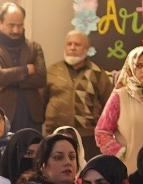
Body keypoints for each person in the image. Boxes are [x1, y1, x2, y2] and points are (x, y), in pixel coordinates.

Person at [0, 4, 46, 134]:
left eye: (20, 25)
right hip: (1, 117)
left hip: (31, 116)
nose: (16, 30)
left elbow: (41, 79)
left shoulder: (34, 47)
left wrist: (6, 83)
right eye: (11, 25)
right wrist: (25, 70)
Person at [44, 31, 113, 159]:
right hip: (55, 134)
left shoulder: (97, 73)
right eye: (69, 44)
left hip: (88, 138)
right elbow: (41, 102)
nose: (72, 48)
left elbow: (109, 105)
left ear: (86, 48)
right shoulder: (52, 71)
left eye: (77, 44)